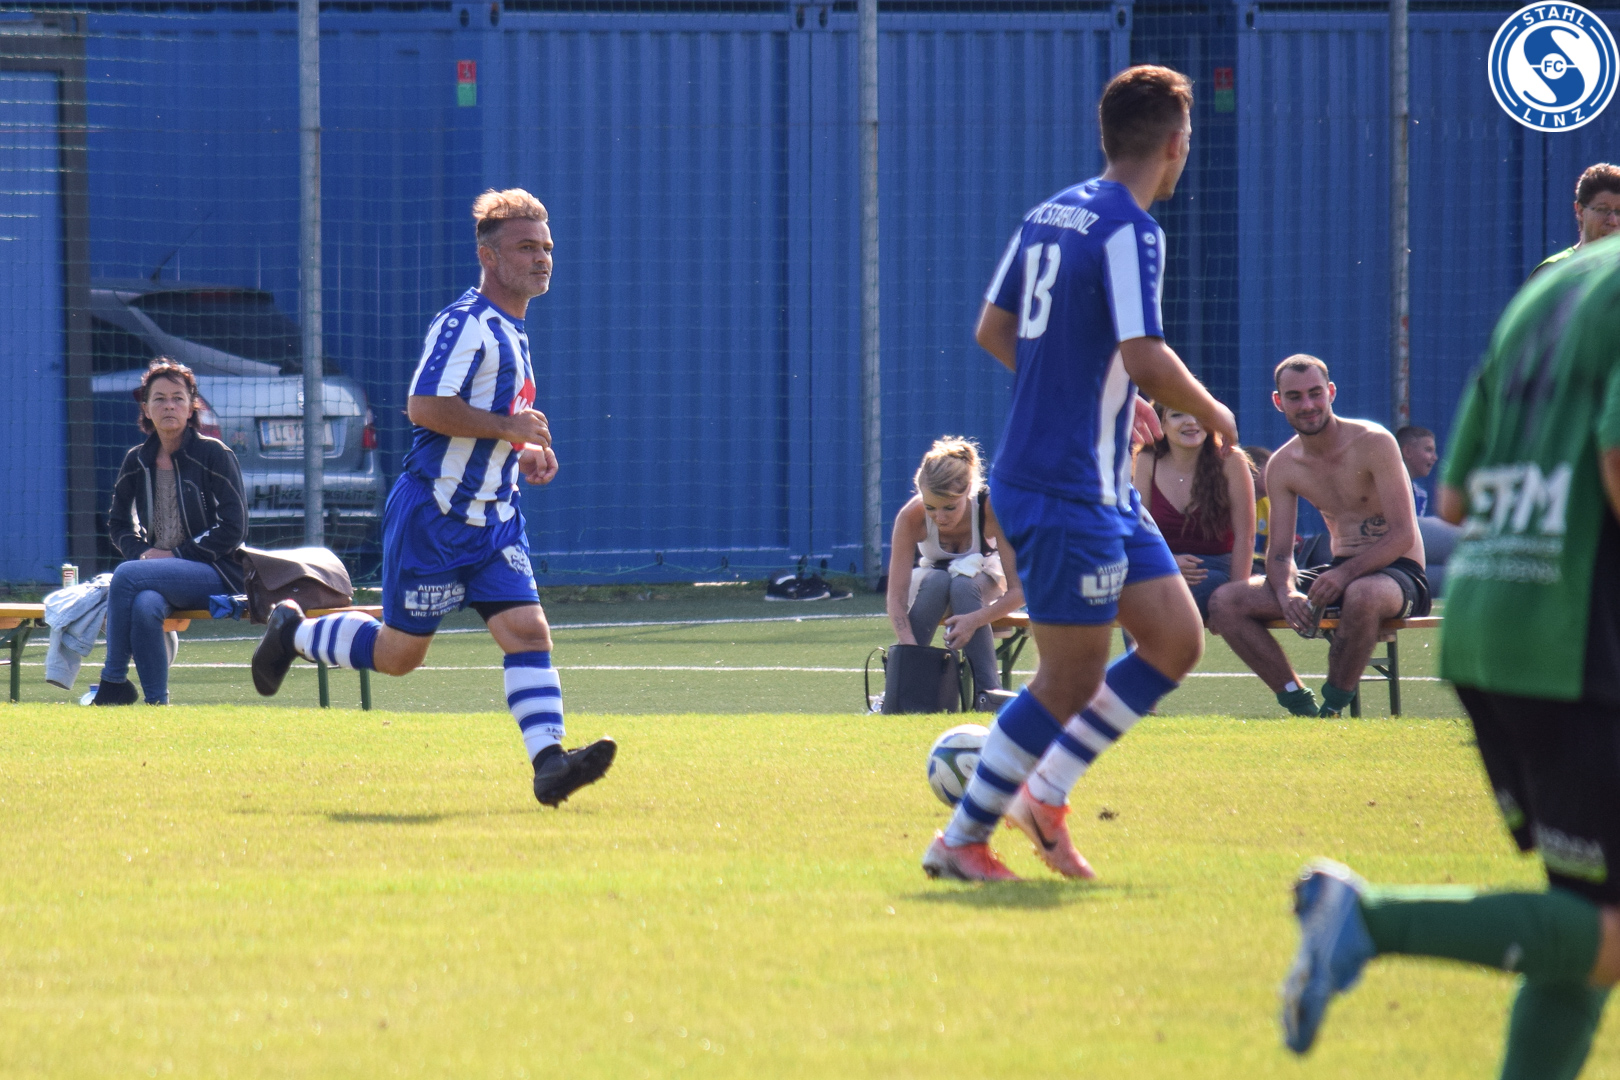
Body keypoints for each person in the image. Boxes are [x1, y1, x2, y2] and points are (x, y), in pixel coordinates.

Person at [1278, 236, 1620, 1080]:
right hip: (1581, 634)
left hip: (1493, 622)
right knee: (1605, 931)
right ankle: (1369, 920)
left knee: (1587, 922)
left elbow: (1458, 495)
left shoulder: (1550, 288)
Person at [921, 65, 1239, 882]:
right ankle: (959, 840)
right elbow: (1146, 355)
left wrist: (1097, 401)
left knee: (1175, 640)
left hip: (1096, 485)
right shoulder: (1134, 229)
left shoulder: (1049, 213)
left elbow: (993, 329)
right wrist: (1213, 411)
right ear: (1177, 144)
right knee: (1069, 676)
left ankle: (1045, 796)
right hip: (1064, 486)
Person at [249, 188, 616, 807]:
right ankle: (292, 634)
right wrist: (509, 428)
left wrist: (523, 449)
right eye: (526, 247)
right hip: (436, 516)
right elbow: (424, 407)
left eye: (547, 247)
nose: (541, 258)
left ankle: (549, 764)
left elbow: (494, 420)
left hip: (495, 519)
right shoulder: (465, 323)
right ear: (488, 257)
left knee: (528, 632)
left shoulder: (515, 331)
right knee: (399, 656)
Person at [1206, 356, 1429, 718]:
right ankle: (1300, 705)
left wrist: (1343, 574)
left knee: (1362, 593)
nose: (1307, 405)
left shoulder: (1374, 441)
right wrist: (1287, 593)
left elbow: (1403, 534)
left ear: (1331, 393)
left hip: (1398, 570)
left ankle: (1333, 708)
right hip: (1340, 570)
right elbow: (1280, 554)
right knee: (1225, 601)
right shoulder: (1283, 464)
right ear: (1278, 401)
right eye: (1294, 397)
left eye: (1315, 393)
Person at [96, 359, 247, 705]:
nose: (169, 406)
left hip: (217, 572)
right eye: (159, 399)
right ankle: (157, 704)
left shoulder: (214, 453)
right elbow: (118, 523)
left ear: (192, 406)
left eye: (178, 398)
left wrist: (174, 555)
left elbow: (235, 527)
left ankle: (113, 680)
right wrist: (143, 554)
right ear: (146, 408)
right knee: (145, 605)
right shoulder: (136, 460)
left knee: (126, 575)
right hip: (158, 576)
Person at [885, 437, 1025, 707]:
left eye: (949, 507)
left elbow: (1019, 592)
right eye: (930, 507)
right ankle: (905, 691)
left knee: (963, 585)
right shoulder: (910, 516)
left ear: (969, 491)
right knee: (938, 580)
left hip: (980, 586)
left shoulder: (992, 509)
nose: (940, 517)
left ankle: (988, 694)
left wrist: (974, 620)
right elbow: (896, 598)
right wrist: (910, 648)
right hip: (931, 585)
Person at [1133, 404, 1255, 619]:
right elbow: (1140, 531)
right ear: (1161, 424)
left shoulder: (1231, 460)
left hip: (1215, 571)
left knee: (1163, 605)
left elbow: (1246, 537)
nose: (1190, 421)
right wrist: (1168, 562)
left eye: (1198, 414)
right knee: (1136, 596)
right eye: (1177, 414)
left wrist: (1235, 595)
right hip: (1163, 566)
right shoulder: (1147, 460)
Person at [1397, 423, 1462, 594]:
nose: (1435, 457)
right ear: (1407, 451)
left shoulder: (1419, 494)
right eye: (1428, 450)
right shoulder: (1388, 488)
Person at [1528, 163, 1620, 280]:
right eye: (1602, 209)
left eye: (1619, 211)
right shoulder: (1554, 271)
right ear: (1580, 211)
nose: (1613, 221)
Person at [1245, 444, 1273, 575]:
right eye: (1271, 469)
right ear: (1253, 471)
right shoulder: (1228, 504)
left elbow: (1271, 552)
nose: (1277, 476)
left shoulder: (1269, 506)